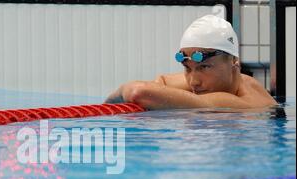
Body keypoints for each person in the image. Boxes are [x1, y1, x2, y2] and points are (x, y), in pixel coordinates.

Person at [105, 15, 277, 110]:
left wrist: (116, 96)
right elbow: (162, 82)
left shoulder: (245, 105)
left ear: (233, 61)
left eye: (204, 67)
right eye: (187, 69)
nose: (194, 81)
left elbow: (138, 92)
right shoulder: (220, 83)